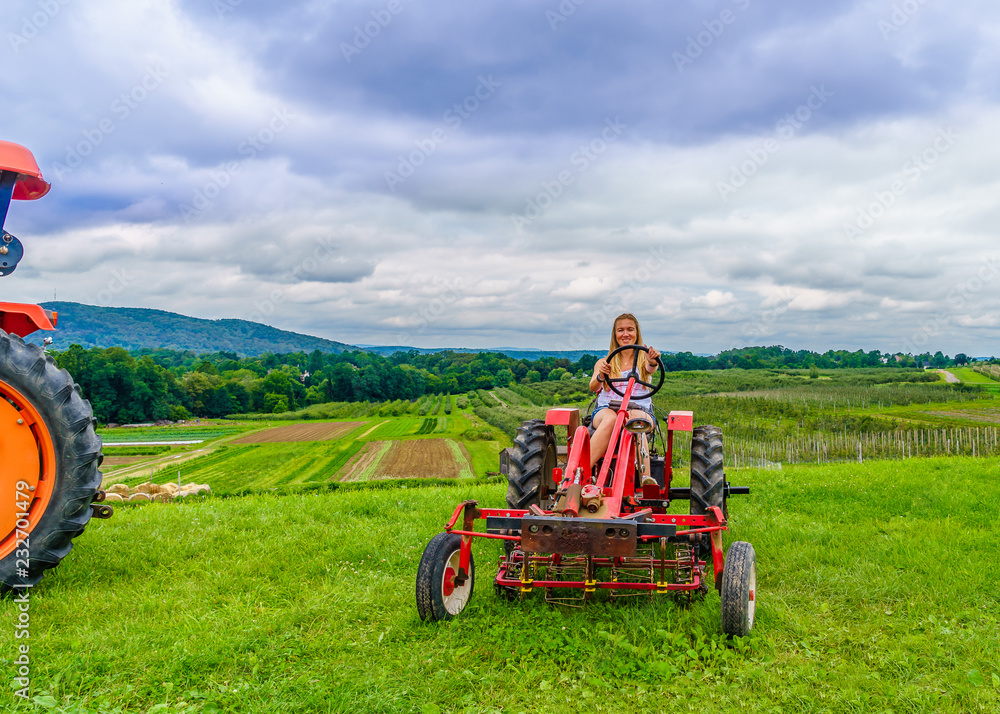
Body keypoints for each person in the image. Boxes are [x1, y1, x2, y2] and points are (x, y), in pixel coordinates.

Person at [588, 313, 661, 487]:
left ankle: (645, 480)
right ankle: (578, 472)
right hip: (607, 408)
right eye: (620, 330)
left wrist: (653, 360)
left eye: (630, 329)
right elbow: (593, 387)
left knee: (637, 419)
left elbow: (651, 368)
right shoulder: (604, 362)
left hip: (638, 408)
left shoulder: (645, 360)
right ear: (615, 335)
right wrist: (601, 375)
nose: (625, 334)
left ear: (637, 333)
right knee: (611, 419)